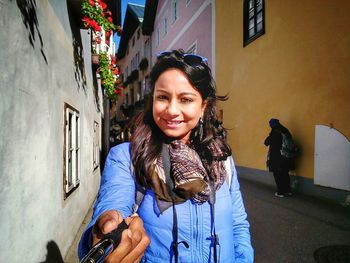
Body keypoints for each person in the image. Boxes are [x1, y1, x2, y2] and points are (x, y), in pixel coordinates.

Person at [78, 49, 254, 262]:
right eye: (163, 97)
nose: (171, 110)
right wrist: (103, 235)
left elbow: (238, 224)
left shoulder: (221, 159)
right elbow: (113, 202)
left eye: (185, 99)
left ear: (203, 107)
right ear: (152, 100)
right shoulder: (127, 157)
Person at [264, 118, 294, 197]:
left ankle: (281, 192)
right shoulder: (285, 130)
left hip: (277, 157)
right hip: (287, 156)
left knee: (277, 174)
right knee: (285, 173)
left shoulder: (274, 131)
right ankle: (288, 190)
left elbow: (266, 142)